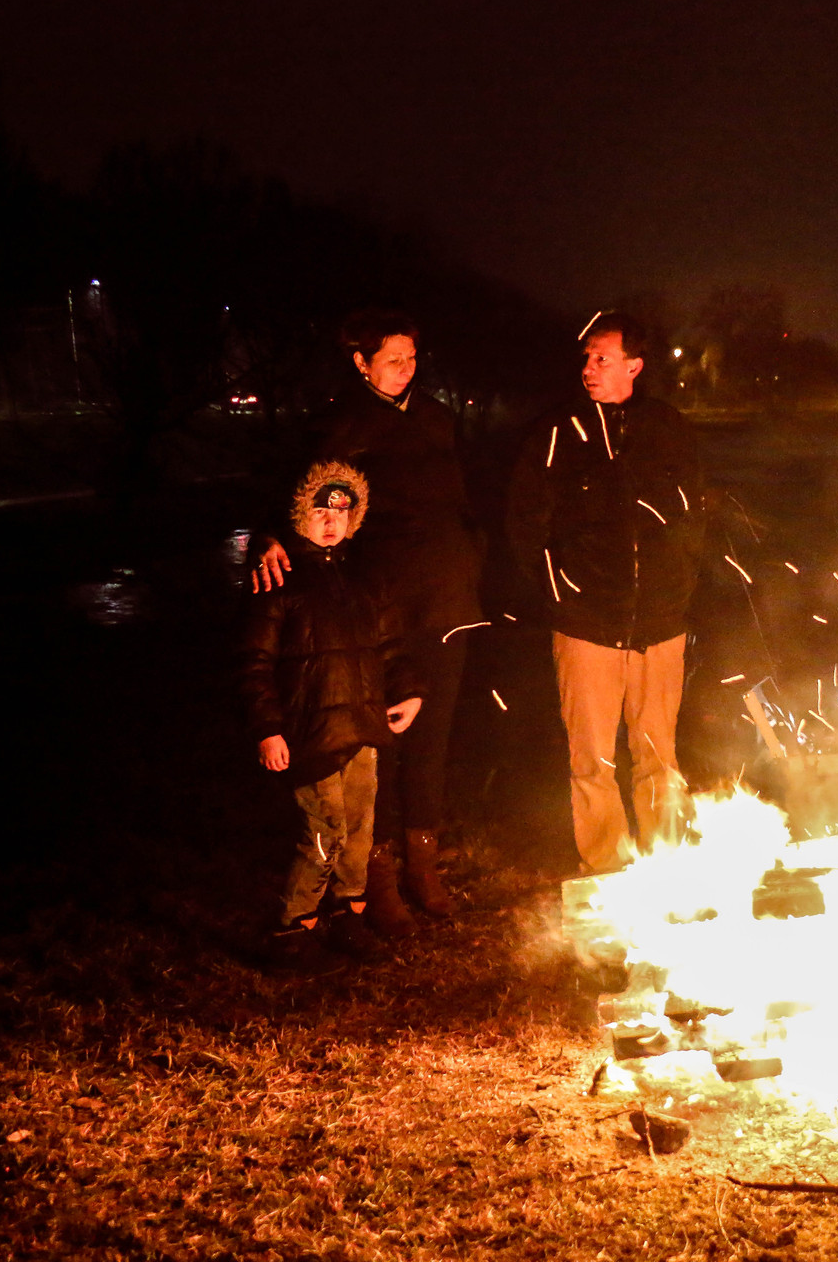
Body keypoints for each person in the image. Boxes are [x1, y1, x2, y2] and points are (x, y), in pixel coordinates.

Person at [252, 310, 484, 934]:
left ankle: (423, 862)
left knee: (432, 739)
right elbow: (300, 493)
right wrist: (270, 538)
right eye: (392, 359)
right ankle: (373, 873)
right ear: (361, 363)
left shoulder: (436, 417)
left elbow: (463, 500)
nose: (406, 369)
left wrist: (475, 560)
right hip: (381, 609)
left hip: (447, 601)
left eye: (412, 357)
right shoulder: (339, 423)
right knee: (381, 745)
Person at [506, 312, 707, 874]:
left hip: (660, 624)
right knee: (592, 760)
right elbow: (525, 521)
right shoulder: (558, 431)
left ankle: (668, 862)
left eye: (602, 358)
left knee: (659, 756)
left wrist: (680, 583)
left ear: (634, 366)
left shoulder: (666, 427)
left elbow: (694, 511)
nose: (589, 368)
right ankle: (607, 866)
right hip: (586, 624)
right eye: (587, 358)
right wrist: (561, 592)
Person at [239, 461, 424, 967]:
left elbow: (390, 644)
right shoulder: (279, 581)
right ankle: (292, 930)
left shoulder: (363, 578)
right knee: (325, 831)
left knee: (360, 830)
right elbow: (254, 663)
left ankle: (349, 917)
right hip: (311, 733)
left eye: (341, 514)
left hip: (362, 727)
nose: (330, 522)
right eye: (320, 512)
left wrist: (409, 691)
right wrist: (268, 729)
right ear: (300, 514)